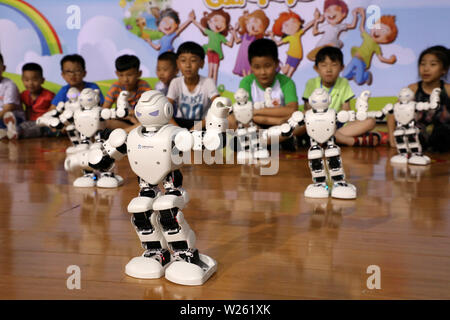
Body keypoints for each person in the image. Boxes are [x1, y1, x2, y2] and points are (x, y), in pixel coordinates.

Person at [302, 46, 380, 146]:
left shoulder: (343, 83)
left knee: (370, 122)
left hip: (338, 124)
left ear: (342, 68)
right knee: (303, 117)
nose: (329, 70)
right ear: (316, 68)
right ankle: (350, 141)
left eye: (334, 65)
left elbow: (346, 109)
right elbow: (308, 109)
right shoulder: (311, 83)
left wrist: (348, 118)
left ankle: (329, 139)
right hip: (317, 123)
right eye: (324, 65)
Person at [388, 45, 450, 152]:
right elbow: (392, 114)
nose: (426, 69)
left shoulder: (447, 90)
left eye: (432, 64)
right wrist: (391, 138)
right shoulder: (413, 89)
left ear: (444, 70)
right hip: (416, 141)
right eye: (422, 64)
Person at [166, 41, 219, 131]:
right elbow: (165, 111)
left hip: (202, 124)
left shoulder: (208, 82)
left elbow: (219, 107)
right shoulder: (175, 82)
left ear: (201, 63)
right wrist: (179, 131)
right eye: (183, 61)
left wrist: (195, 128)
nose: (188, 65)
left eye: (193, 61)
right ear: (178, 64)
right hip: (180, 123)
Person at [342, 8, 398, 86]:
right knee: (344, 75)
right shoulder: (367, 37)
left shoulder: (376, 47)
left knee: (358, 81)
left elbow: (381, 58)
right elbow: (361, 28)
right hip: (355, 58)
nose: (378, 31)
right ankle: (357, 73)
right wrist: (363, 15)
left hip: (362, 62)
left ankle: (366, 75)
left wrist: (390, 60)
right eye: (377, 27)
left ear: (386, 40)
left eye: (383, 31)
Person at [103, 54, 151, 131]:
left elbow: (149, 110)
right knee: (107, 123)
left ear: (139, 73)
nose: (125, 79)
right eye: (121, 75)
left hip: (139, 121)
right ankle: (129, 132)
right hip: (123, 122)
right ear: (116, 74)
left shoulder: (143, 86)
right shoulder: (115, 87)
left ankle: (124, 133)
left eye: (129, 75)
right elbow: (104, 110)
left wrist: (133, 114)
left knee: (151, 122)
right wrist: (123, 114)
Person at [11, 63, 55, 139]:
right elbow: (20, 109)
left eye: (34, 80)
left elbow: (54, 111)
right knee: (22, 125)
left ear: (42, 80)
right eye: (27, 80)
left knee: (38, 129)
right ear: (22, 80)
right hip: (28, 122)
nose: (30, 83)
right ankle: (10, 131)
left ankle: (18, 133)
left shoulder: (49, 95)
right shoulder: (23, 94)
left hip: (43, 123)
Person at [192, 9, 234, 84]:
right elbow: (201, 27)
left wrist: (233, 34)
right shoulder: (210, 32)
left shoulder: (221, 37)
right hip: (210, 52)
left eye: (222, 22)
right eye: (216, 20)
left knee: (215, 73)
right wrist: (193, 20)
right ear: (209, 22)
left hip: (217, 54)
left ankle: (213, 88)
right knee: (210, 71)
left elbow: (230, 44)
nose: (219, 24)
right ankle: (208, 87)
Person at [0, 53, 23, 140]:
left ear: (3, 68)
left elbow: (8, 108)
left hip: (13, 117)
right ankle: (4, 132)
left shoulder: (9, 85)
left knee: (8, 118)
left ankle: (10, 130)